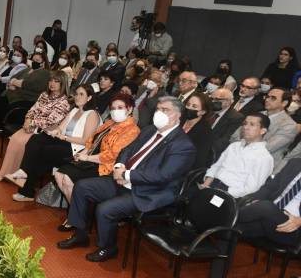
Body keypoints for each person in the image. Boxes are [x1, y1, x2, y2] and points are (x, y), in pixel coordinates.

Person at [57, 96, 196, 262]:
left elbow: (163, 176)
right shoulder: (149, 130)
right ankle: (80, 235)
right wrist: (118, 168)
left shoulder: (183, 145)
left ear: (178, 115)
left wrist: (126, 175)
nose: (159, 113)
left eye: (165, 110)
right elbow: (126, 150)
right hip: (122, 179)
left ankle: (108, 247)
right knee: (82, 187)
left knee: (105, 209)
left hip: (147, 192)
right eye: (158, 109)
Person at [190, 157, 301, 278]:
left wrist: (299, 221)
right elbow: (270, 187)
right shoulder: (295, 163)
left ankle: (214, 219)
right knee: (230, 230)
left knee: (263, 207)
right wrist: (252, 199)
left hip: (291, 228)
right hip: (266, 218)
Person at [53, 93, 141, 221]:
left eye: (120, 107)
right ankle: (78, 213)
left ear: (130, 109)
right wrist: (85, 151)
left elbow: (113, 155)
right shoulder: (110, 123)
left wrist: (87, 158)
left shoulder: (132, 130)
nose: (115, 111)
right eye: (113, 108)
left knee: (67, 179)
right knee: (58, 175)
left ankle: (76, 217)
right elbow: (91, 139)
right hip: (91, 159)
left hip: (105, 167)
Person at [11, 84, 101, 201]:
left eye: (81, 94)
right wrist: (55, 132)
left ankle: (26, 187)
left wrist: (63, 137)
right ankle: (23, 173)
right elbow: (60, 128)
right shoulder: (74, 110)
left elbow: (85, 141)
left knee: (43, 152)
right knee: (36, 139)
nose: (77, 97)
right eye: (76, 94)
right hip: (64, 141)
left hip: (76, 148)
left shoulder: (92, 114)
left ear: (89, 98)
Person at [0, 73, 70, 182]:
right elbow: (33, 109)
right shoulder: (44, 95)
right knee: (14, 139)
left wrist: (32, 123)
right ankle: (4, 174)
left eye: (56, 81)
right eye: (51, 80)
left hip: (46, 132)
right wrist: (27, 120)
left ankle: (18, 178)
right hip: (32, 126)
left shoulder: (64, 102)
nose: (52, 84)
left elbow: (50, 121)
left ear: (63, 84)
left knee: (22, 142)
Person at [200, 113, 273, 197]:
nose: (245, 127)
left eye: (252, 125)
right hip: (211, 185)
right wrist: (206, 185)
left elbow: (251, 188)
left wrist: (223, 193)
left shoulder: (264, 158)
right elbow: (216, 166)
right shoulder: (234, 146)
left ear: (262, 131)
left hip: (228, 194)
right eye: (245, 123)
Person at [230, 88, 297, 166]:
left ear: (284, 103)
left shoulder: (289, 125)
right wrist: (236, 150)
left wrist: (241, 149)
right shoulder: (256, 114)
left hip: (259, 165)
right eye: (267, 96)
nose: (267, 100)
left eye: (273, 98)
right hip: (235, 156)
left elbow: (267, 148)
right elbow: (235, 136)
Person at [182, 91, 215, 169]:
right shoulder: (179, 119)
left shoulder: (205, 131)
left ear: (203, 112)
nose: (189, 108)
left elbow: (199, 160)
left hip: (185, 167)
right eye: (188, 104)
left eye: (194, 106)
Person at [209, 88, 245, 158]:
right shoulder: (207, 111)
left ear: (229, 101)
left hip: (214, 153)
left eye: (217, 99)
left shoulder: (237, 118)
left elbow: (225, 140)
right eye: (212, 99)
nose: (213, 101)